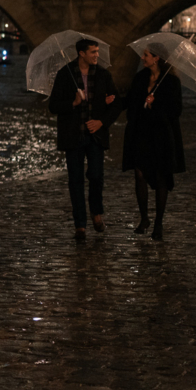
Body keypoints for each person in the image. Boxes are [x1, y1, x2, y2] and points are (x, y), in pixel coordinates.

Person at [48, 37, 122, 240]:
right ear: (81, 53)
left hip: (96, 136)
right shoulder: (65, 75)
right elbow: (53, 106)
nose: (97, 55)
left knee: (96, 176)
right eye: (93, 52)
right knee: (76, 181)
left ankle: (96, 212)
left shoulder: (103, 75)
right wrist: (72, 102)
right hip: (73, 136)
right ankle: (80, 224)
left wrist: (102, 122)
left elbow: (117, 104)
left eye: (97, 51)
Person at [121, 48, 185, 240]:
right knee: (139, 173)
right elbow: (131, 101)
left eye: (146, 56)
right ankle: (144, 218)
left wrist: (155, 103)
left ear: (156, 58)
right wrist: (114, 100)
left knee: (160, 177)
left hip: (161, 135)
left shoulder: (171, 82)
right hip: (141, 133)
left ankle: (158, 223)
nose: (142, 58)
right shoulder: (140, 77)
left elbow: (175, 110)